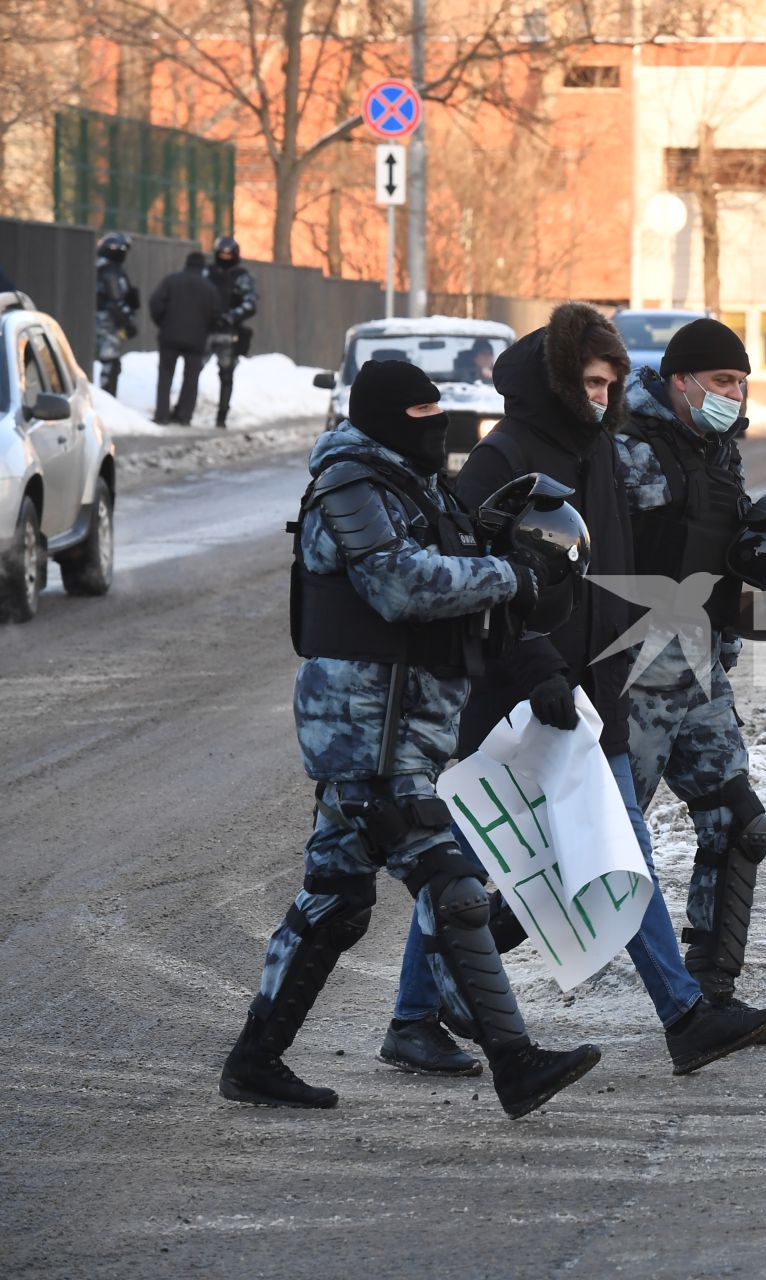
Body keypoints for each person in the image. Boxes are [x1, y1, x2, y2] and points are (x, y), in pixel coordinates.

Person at [382, 302, 766, 1079]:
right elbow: (484, 586)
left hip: (592, 689)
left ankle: (684, 1013)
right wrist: (539, 669)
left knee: (592, 848)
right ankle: (420, 1015)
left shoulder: (598, 453)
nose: (603, 397)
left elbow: (611, 573)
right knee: (476, 860)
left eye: (609, 384)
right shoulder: (502, 461)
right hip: (517, 694)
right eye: (591, 383)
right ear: (560, 381)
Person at [219, 358, 602, 1118]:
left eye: (441, 416)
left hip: (405, 731)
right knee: (452, 885)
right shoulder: (349, 488)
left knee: (336, 900)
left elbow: (456, 578)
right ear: (389, 422)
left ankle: (255, 1061)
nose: (439, 432)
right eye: (422, 418)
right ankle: (516, 1063)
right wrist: (506, 576)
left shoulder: (412, 487)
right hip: (364, 730)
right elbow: (399, 585)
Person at [617, 319, 766, 1040]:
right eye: (722, 381)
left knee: (738, 821)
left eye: (740, 381)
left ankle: (709, 996)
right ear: (680, 379)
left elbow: (722, 557)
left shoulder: (719, 451)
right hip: (626, 678)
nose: (735, 393)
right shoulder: (625, 449)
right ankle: (442, 992)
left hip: (696, 673)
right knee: (590, 847)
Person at [148, 251, 222, 425]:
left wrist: (162, 322)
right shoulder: (209, 288)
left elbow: (155, 302)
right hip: (196, 340)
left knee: (165, 375)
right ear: (202, 267)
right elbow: (216, 315)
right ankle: (184, 416)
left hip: (169, 336)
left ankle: (162, 415)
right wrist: (205, 329)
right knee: (191, 378)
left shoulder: (171, 281)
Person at [207, 236, 259, 429]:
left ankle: (222, 417)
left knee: (227, 374)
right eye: (222, 254)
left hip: (229, 331)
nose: (225, 257)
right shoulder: (208, 272)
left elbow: (250, 303)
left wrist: (231, 316)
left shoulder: (241, 276)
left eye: (229, 254)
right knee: (193, 370)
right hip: (207, 328)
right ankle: (183, 412)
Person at [94, 232, 139, 397]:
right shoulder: (110, 272)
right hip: (107, 324)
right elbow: (116, 301)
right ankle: (107, 400)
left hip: (106, 323)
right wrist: (127, 322)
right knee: (109, 365)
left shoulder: (103, 269)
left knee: (111, 364)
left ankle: (107, 399)